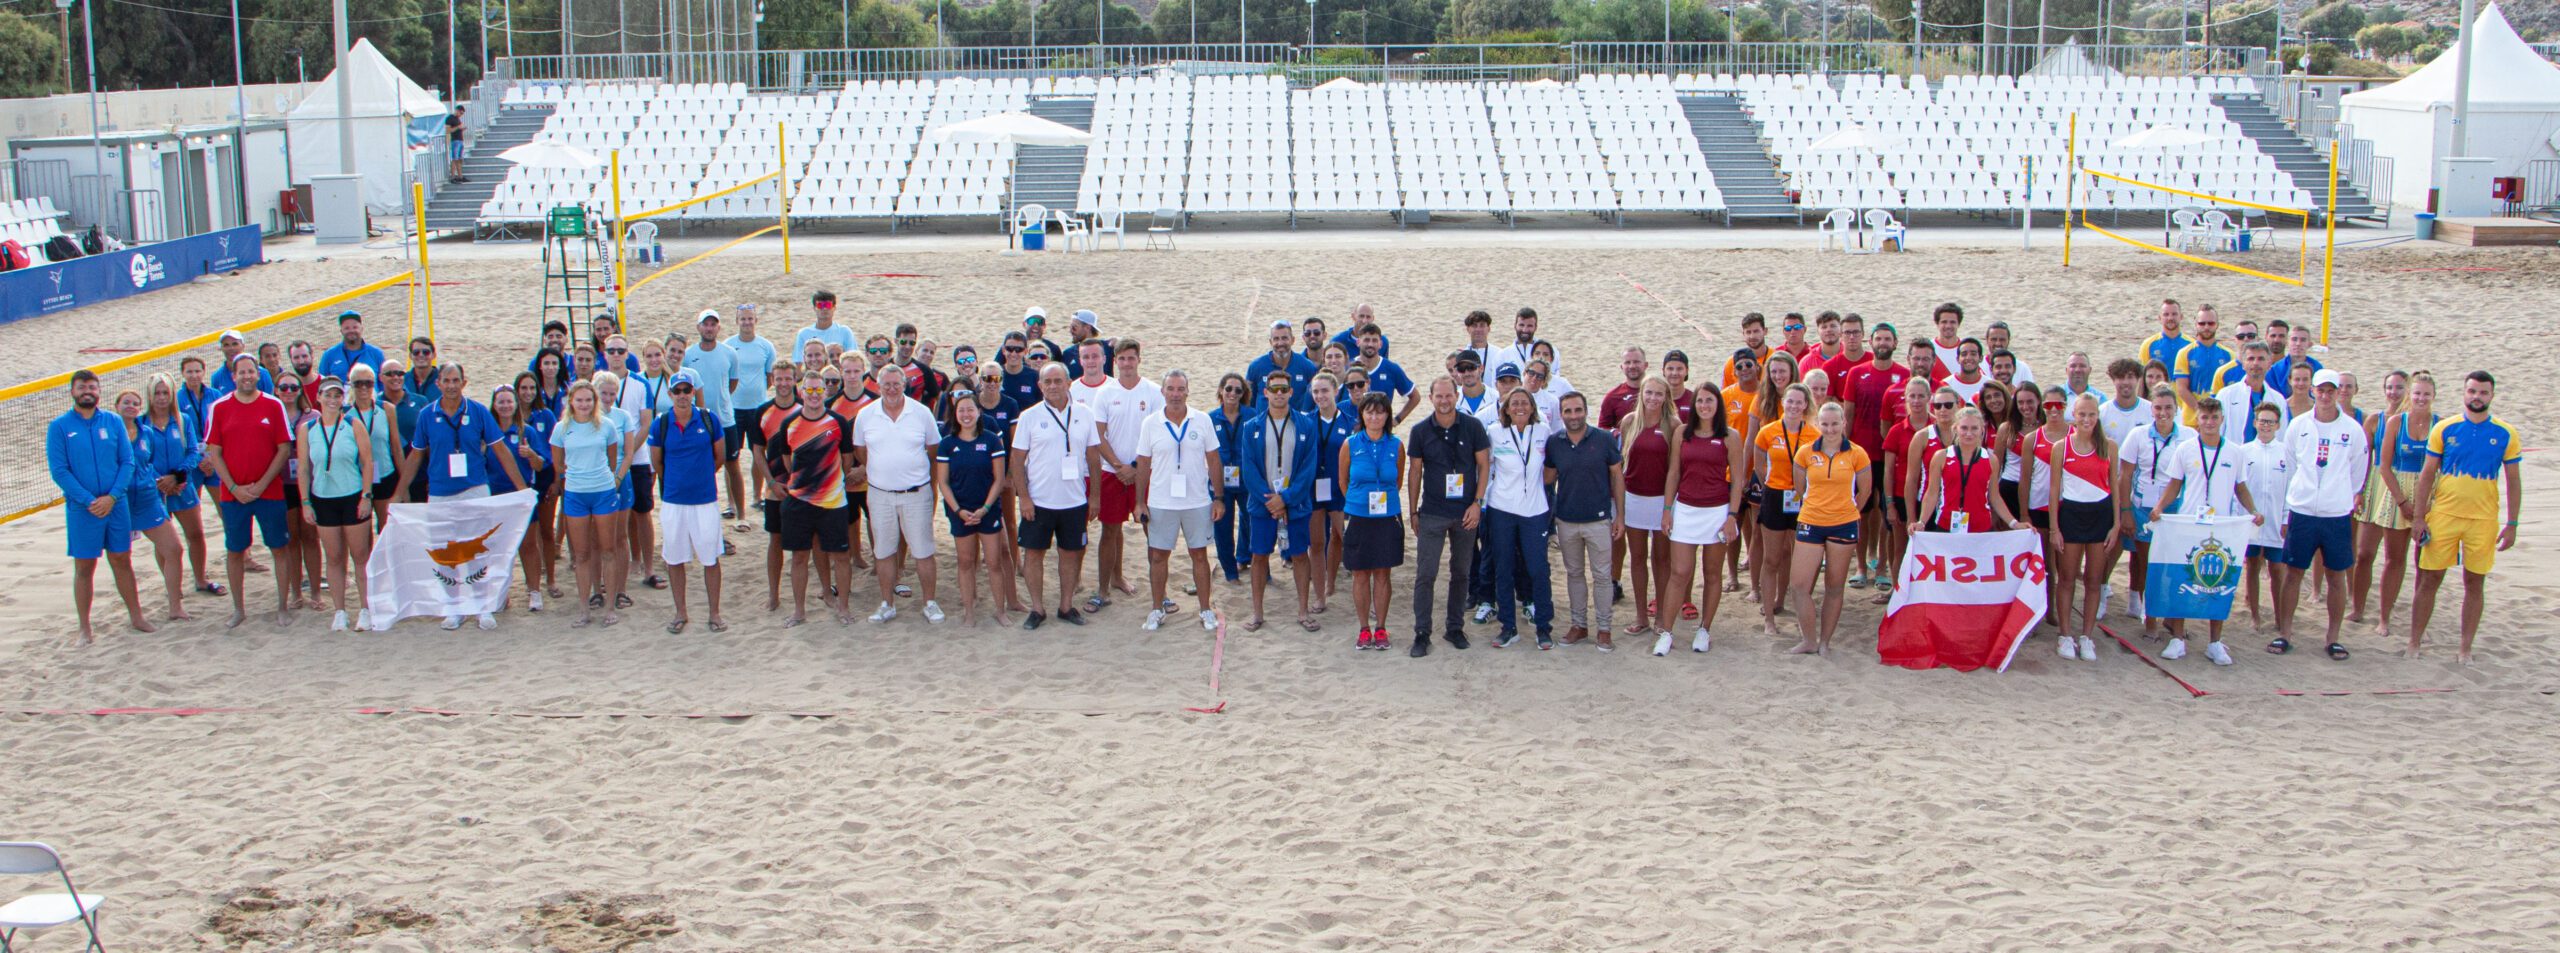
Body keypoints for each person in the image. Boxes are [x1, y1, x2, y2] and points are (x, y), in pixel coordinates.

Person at [397, 362, 528, 629]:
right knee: (447, 553)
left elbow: (500, 450)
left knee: (478, 549)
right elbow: (416, 455)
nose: (451, 385)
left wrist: (522, 488)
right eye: (446, 380)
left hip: (475, 489)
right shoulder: (427, 415)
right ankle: (454, 607)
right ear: (438, 384)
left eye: (456, 380)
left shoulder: (478, 411)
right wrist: (399, 492)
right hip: (441, 493)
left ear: (464, 383)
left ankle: (482, 606)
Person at [2404, 371, 2520, 663]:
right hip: (2444, 514)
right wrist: (2419, 518)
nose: (2476, 397)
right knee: (2430, 579)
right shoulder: (2445, 428)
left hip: (2483, 519)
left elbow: (2514, 481)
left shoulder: (2505, 433)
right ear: (2463, 393)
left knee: (2475, 582)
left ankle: (2465, 648)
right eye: (2472, 392)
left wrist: (2512, 524)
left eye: (2482, 392)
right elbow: (2427, 474)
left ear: (2491, 395)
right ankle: (2414, 643)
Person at [2145, 399, 2259, 665]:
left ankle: (2215, 642)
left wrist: (2253, 511)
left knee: (2220, 582)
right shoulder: (2185, 449)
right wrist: (2159, 508)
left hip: (2221, 526)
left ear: (2221, 419)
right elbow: (2174, 485)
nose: (2209, 422)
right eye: (2204, 417)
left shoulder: (2234, 452)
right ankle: (2178, 638)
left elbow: (2240, 488)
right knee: (2182, 578)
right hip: (2189, 522)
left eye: (2214, 417)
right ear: (2197, 419)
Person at [2271, 369, 2367, 660]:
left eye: (2331, 390)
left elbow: (2357, 473)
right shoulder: (2299, 425)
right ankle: (2285, 633)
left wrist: (2338, 497)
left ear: (2339, 393)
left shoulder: (2352, 429)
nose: (2325, 396)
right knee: (2293, 573)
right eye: (2320, 390)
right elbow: (2289, 467)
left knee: (2336, 576)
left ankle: (2333, 638)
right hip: (2302, 509)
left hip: (2335, 513)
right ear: (2312, 391)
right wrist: (2289, 509)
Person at [51, 371, 147, 644]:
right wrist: (89, 500)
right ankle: (85, 628)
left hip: (115, 505)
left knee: (122, 560)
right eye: (82, 387)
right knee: (84, 567)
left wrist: (112, 497)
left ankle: (137, 617)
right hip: (84, 509)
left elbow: (127, 462)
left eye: (92, 387)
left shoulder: (113, 421)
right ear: (72, 392)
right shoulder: (60, 427)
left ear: (99, 391)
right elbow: (60, 471)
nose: (87, 391)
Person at [202, 354, 294, 630]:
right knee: (235, 550)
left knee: (278, 547)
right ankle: (239, 609)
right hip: (234, 494)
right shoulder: (219, 408)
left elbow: (283, 449)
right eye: (241, 372)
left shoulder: (273, 404)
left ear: (258, 374)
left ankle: (282, 606)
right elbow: (214, 452)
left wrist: (262, 484)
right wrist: (232, 487)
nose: (246, 376)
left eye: (251, 372)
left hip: (269, 491)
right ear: (233, 376)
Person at [1130, 369, 1223, 633]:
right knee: (1159, 556)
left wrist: (1218, 498)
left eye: (1180, 389)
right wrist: (1140, 502)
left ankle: (1205, 609)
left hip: (1196, 501)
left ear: (1187, 391)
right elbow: (1144, 464)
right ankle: (1157, 608)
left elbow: (1214, 460)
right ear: (1162, 392)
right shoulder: (1151, 423)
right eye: (1170, 389)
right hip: (1161, 501)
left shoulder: (1201, 420)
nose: (1175, 394)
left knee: (1199, 555)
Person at [1013, 363, 1104, 629]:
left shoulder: (1085, 414)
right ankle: (1038, 609)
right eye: (1047, 382)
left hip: (1074, 500)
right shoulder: (1029, 416)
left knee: (1071, 554)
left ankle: (1066, 606)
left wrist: (1094, 496)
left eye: (1058, 381)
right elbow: (1017, 461)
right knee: (1034, 555)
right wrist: (1024, 498)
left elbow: (1093, 457)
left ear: (1068, 383)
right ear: (1040, 386)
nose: (1053, 386)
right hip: (1039, 501)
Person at [1405, 376, 1489, 657]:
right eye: (1439, 396)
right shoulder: (1420, 431)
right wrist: (1413, 510)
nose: (1444, 401)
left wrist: (1477, 503)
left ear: (1456, 396)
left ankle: (1454, 627)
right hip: (1432, 512)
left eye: (1448, 396)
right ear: (1431, 398)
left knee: (1461, 572)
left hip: (1465, 512)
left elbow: (1483, 465)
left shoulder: (1473, 426)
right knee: (1426, 574)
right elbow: (1415, 472)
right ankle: (1422, 632)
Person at [1655, 379, 1740, 655]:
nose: (1704, 405)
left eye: (1710, 401)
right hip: (1686, 510)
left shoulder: (1730, 436)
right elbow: (1673, 473)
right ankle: (1666, 632)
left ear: (1718, 405)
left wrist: (1732, 516)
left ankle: (1704, 629)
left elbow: (1737, 480)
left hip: (1717, 512)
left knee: (1713, 573)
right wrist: (1667, 510)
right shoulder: (1682, 433)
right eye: (1700, 401)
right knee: (1679, 572)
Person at [854, 363, 943, 623]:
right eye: (886, 384)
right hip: (880, 494)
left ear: (904, 385)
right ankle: (886, 603)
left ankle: (929, 602)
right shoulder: (866, 415)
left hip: (916, 493)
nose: (891, 389)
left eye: (896, 384)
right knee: (883, 551)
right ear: (878, 386)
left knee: (923, 550)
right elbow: (861, 450)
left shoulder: (921, 412)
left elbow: (933, 448)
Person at [1787, 402, 1870, 655]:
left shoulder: (1857, 454)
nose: (1830, 429)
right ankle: (1809, 640)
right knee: (1799, 586)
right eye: (1825, 424)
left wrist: (1849, 511)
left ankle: (1824, 642)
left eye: (1835, 423)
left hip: (1843, 524)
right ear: (1817, 424)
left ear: (1844, 423)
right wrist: (1817, 506)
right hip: (1811, 521)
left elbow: (1865, 491)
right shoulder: (1805, 453)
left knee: (1834, 586)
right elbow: (1800, 488)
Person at [1084, 340, 1161, 613]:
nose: (1127, 363)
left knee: (1152, 530)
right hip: (1112, 472)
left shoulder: (1152, 391)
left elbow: (1157, 435)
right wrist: (1119, 465)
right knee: (1110, 531)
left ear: (1139, 359)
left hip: (1144, 472)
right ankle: (1104, 589)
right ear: (1114, 361)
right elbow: (1099, 435)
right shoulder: (1105, 393)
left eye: (1131, 358)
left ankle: (1159, 593)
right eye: (1122, 359)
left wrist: (1135, 467)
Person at [1239, 371, 1319, 633]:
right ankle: (1257, 612)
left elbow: (1308, 468)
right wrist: (1270, 500)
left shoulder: (1305, 425)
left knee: (1299, 555)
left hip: (1295, 504)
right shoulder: (1252, 427)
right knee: (1259, 555)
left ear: (1291, 392)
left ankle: (1303, 610)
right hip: (1263, 505)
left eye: (1284, 389)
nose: (1279, 394)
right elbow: (1248, 468)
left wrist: (1286, 498)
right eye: (1274, 390)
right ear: (1266, 393)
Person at [650, 368, 727, 634]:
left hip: (705, 499)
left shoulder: (708, 419)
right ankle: (680, 612)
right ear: (670, 394)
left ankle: (714, 613)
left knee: (710, 557)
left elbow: (720, 457)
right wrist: (677, 481)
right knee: (674, 558)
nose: (682, 395)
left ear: (693, 392)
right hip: (673, 500)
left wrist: (700, 478)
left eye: (687, 390)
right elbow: (657, 462)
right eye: (678, 391)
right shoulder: (660, 423)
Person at [296, 376, 377, 632]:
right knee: (333, 557)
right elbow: (303, 469)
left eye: (337, 396)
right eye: (327, 395)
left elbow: (367, 462)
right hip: (323, 498)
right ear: (318, 398)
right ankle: (340, 611)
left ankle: (365, 609)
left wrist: (366, 496)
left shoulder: (353, 424)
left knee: (360, 555)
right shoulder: (307, 429)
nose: (332, 400)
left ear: (343, 399)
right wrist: (306, 502)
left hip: (352, 496)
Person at [1546, 390, 1624, 650]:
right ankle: (1579, 625)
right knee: (1574, 574)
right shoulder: (1555, 442)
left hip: (1598, 520)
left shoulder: (1603, 439)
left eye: (1577, 410)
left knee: (1602, 576)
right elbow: (1548, 479)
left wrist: (1619, 516)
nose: (1573, 415)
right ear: (1561, 414)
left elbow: (1617, 477)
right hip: (1566, 520)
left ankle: (1604, 629)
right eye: (1567, 411)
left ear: (1586, 411)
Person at [2363, 373, 2436, 643]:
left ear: (2433, 397)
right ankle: (2384, 617)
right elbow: (2383, 465)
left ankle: (2420, 621)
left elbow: (2442, 467)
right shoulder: (2396, 422)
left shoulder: (2439, 425)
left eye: (2426, 394)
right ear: (2410, 395)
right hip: (2398, 492)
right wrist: (2403, 502)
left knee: (2424, 563)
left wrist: (2427, 504)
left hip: (2428, 495)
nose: (2420, 398)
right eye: (2416, 393)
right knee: (2394, 560)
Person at [2043, 396, 2117, 660]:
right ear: (2073, 416)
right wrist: (2054, 528)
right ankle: (2065, 635)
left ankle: (2087, 636)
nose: (2087, 420)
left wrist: (2116, 524)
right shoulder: (2061, 448)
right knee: (2066, 578)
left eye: (2092, 414)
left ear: (2098, 416)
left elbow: (2115, 488)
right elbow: (2053, 490)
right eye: (2081, 414)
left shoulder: (2108, 446)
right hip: (2071, 515)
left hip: (2100, 515)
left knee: (2094, 581)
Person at [552, 380, 631, 628]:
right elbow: (558, 464)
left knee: (608, 549)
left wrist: (605, 478)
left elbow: (611, 459)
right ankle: (585, 608)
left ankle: (609, 606)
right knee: (582, 553)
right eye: (579, 400)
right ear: (571, 402)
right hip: (575, 493)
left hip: (603, 491)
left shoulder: (606, 426)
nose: (584, 404)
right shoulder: (561, 429)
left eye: (588, 400)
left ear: (595, 402)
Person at [1482, 387, 1555, 648]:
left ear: (1533, 407)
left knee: (1538, 569)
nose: (1520, 407)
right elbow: (1485, 467)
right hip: (1501, 508)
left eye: (1525, 403)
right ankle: (1508, 627)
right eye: (1514, 403)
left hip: (1534, 510)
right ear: (1506, 408)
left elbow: (1550, 471)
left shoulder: (1544, 432)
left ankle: (1544, 627)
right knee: (1503, 568)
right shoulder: (1494, 433)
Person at [2117, 383, 2192, 638]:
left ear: (2176, 409)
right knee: (2149, 565)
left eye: (2168, 408)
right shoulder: (2137, 436)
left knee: (2172, 566)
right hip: (2142, 508)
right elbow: (2125, 475)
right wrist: (2125, 509)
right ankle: (2150, 620)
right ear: (2151, 409)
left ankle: (2171, 618)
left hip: (2174, 509)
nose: (2163, 413)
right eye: (2158, 407)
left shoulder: (2188, 437)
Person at [109, 388, 188, 625]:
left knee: (174, 549)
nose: (131, 406)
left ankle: (175, 606)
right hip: (119, 501)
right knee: (122, 559)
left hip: (146, 498)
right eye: (126, 402)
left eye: (135, 403)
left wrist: (169, 480)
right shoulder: (110, 434)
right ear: (116, 406)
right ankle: (136, 616)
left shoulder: (146, 433)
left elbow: (150, 464)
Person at [934, 381, 1010, 627]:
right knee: (965, 563)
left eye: (970, 410)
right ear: (955, 413)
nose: (966, 414)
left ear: (979, 413)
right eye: (961, 410)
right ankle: (969, 612)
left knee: (994, 563)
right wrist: (959, 510)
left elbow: (999, 479)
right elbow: (943, 483)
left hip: (987, 510)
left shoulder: (990, 440)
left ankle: (1000, 610)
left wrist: (985, 509)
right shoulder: (947, 443)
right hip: (961, 511)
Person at [1615, 376, 1678, 647]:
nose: (1653, 398)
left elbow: (1675, 468)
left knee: (1662, 560)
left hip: (1661, 500)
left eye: (1658, 394)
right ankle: (1641, 615)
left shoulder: (1673, 425)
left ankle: (1662, 615)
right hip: (1634, 499)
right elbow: (1621, 465)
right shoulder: (1630, 422)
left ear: (1666, 397)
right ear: (1641, 394)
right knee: (1637, 558)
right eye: (1649, 393)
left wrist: (1667, 507)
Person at [141, 373, 216, 597]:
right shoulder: (142, 422)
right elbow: (139, 457)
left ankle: (201, 579)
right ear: (150, 395)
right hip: (157, 489)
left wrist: (178, 476)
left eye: (166, 393)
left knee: (196, 533)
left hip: (183, 486)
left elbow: (193, 451)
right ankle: (171, 584)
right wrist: (161, 480)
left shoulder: (182, 419)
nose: (162, 398)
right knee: (163, 541)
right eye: (157, 393)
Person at [1750, 383, 1815, 635]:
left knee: (1796, 557)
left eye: (1799, 402)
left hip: (1803, 499)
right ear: (1783, 403)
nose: (1794, 406)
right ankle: (1769, 620)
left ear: (1805, 405)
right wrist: (1772, 484)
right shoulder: (1768, 432)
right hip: (1776, 497)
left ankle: (1787, 605)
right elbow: (1758, 463)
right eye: (1790, 401)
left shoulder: (1813, 434)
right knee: (1772, 558)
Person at [485, 384, 549, 612]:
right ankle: (501, 594)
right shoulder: (487, 432)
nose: (505, 406)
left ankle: (534, 591)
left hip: (521, 497)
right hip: (495, 497)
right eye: (500, 401)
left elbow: (542, 465)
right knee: (498, 548)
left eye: (509, 401)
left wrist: (531, 454)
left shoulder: (526, 432)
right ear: (494, 404)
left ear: (516, 404)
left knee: (529, 546)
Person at [1877, 379, 1933, 604]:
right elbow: (1888, 471)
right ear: (1906, 399)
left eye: (1921, 396)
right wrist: (1889, 504)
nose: (1917, 401)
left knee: (1928, 548)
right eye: (1913, 396)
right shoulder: (1896, 431)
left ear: (1929, 398)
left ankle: (1925, 592)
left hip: (1931, 497)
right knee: (1900, 546)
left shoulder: (1938, 428)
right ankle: (1897, 590)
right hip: (1901, 496)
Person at [725, 303, 779, 523]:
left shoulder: (766, 346)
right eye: (743, 319)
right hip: (733, 408)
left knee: (759, 454)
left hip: (758, 408)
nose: (746, 322)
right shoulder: (728, 345)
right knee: (732, 457)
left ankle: (757, 496)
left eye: (750, 318)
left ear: (756, 320)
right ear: (736, 321)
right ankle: (730, 503)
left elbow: (769, 377)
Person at [511, 371, 561, 602]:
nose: (528, 392)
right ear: (517, 390)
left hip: (544, 477)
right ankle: (530, 584)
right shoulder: (508, 416)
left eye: (532, 388)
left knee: (546, 531)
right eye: (524, 388)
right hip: (519, 480)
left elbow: (556, 449)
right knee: (523, 535)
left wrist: (556, 481)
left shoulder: (546, 415)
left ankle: (550, 579)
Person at [621, 339, 668, 590]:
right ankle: (633, 559)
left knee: (643, 510)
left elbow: (646, 422)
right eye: (611, 350)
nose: (616, 354)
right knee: (624, 512)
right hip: (615, 458)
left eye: (620, 350)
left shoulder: (639, 384)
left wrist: (629, 451)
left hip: (639, 455)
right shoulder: (603, 381)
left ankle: (648, 567)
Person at [1307, 372, 1352, 613]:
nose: (1320, 396)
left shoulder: (1349, 422)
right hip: (1314, 488)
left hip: (1339, 488)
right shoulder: (1306, 421)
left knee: (1340, 536)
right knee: (1316, 543)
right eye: (1315, 392)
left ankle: (1332, 583)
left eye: (1324, 391)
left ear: (1335, 391)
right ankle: (1320, 594)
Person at [1207, 372, 1252, 584]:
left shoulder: (1252, 415)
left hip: (1247, 480)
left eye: (1238, 390)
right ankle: (1230, 571)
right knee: (1222, 527)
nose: (1232, 393)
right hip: (1219, 481)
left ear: (1243, 394)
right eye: (1228, 389)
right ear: (1220, 391)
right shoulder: (1210, 418)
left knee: (1251, 522)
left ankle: (1246, 558)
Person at [1245, 320, 1319, 415]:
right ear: (1270, 342)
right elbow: (1248, 403)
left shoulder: (1307, 366)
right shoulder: (1256, 367)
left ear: (1292, 340)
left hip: (1295, 425)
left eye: (1284, 338)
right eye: (1276, 339)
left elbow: (1315, 399)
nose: (1280, 343)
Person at [2171, 307, 2230, 424]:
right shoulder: (2184, 353)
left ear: (2217, 324)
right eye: (2202, 323)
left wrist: (2214, 414)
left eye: (2211, 323)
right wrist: (2202, 411)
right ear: (2196, 324)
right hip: (2192, 420)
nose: (2206, 327)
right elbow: (2181, 389)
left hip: (2219, 420)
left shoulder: (2228, 355)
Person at [317, 311, 386, 381]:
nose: (351, 330)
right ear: (341, 331)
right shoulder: (329, 355)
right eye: (347, 328)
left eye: (355, 327)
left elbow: (384, 384)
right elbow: (322, 383)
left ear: (361, 329)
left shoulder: (376, 353)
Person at [795, 290, 859, 356]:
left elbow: (853, 357)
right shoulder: (804, 333)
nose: (824, 309)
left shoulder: (844, 331)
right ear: (814, 308)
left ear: (834, 308)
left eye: (828, 305)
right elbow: (799, 362)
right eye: (820, 305)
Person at [1720, 312, 1772, 388]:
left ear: (1765, 331)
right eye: (1748, 332)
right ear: (1743, 334)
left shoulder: (1775, 358)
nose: (1752, 336)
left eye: (1756, 331)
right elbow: (1724, 395)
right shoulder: (1732, 362)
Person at [2138, 298, 2188, 372]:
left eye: (2174, 314)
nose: (2170, 318)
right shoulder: (2148, 345)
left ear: (2181, 317)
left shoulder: (2191, 344)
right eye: (2166, 314)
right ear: (2159, 318)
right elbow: (2142, 376)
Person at [444, 105, 469, 183]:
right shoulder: (449, 118)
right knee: (454, 159)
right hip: (455, 140)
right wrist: (458, 128)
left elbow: (458, 128)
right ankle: (453, 177)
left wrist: (462, 128)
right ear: (457, 111)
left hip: (460, 140)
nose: (461, 115)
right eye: (461, 113)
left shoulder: (457, 119)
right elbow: (448, 130)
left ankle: (460, 176)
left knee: (459, 159)